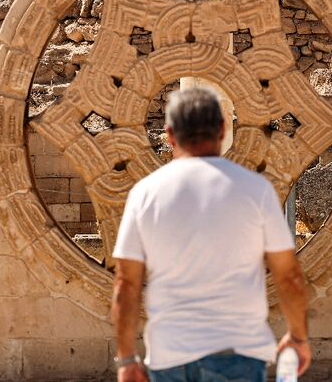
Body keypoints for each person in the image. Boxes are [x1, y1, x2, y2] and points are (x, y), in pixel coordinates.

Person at [111, 87, 311, 382]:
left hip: (170, 356)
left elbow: (126, 284)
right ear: (222, 129)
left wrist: (127, 359)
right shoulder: (254, 190)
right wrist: (298, 337)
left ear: (169, 135)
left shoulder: (145, 194)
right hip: (239, 352)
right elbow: (289, 276)